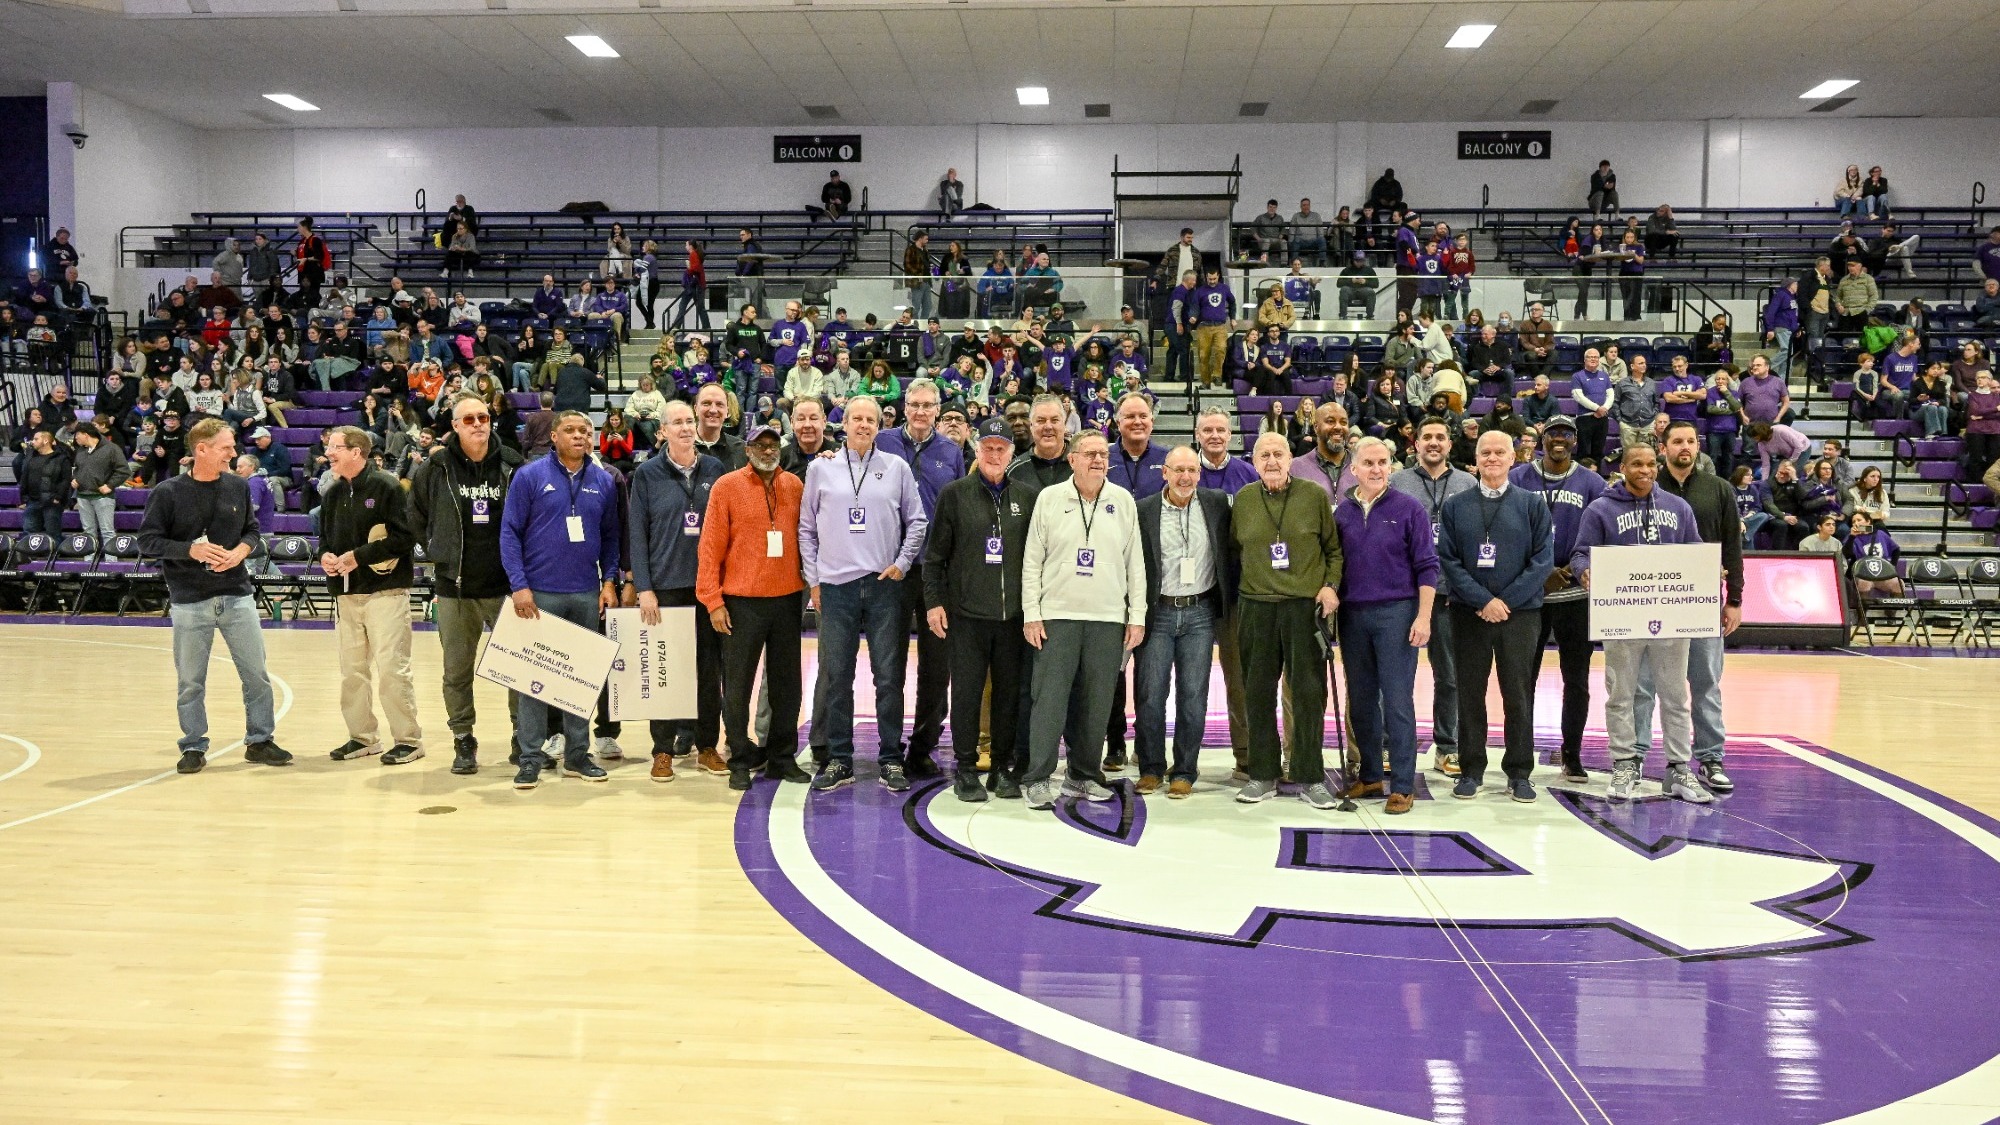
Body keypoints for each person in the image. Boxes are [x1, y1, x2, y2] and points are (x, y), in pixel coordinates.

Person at [135, 419, 291, 775]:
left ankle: (260, 741)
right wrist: (191, 550)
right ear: (201, 450)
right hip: (190, 599)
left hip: (237, 595)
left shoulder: (238, 486)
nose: (233, 453)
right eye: (226, 447)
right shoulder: (168, 492)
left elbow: (253, 531)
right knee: (191, 680)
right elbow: (147, 542)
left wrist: (240, 552)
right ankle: (192, 745)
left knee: (256, 675)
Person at [798, 396, 927, 793]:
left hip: (885, 585)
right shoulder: (821, 468)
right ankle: (840, 759)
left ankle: (890, 758)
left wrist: (903, 563)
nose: (864, 425)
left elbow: (918, 521)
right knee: (838, 677)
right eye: (857, 418)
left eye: (872, 419)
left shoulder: (896, 468)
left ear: (879, 425)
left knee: (889, 677)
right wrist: (814, 581)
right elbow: (806, 529)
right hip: (836, 587)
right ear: (845, 422)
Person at [1573, 442, 1710, 802]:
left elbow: (1694, 550)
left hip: (1670, 616)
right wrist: (1585, 571)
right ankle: (1624, 764)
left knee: (1676, 696)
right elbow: (1580, 553)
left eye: (1651, 463)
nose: (1645, 470)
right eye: (1637, 464)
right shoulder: (1600, 509)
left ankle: (1679, 770)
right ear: (1623, 467)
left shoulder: (1678, 507)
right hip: (1621, 614)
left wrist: (1709, 573)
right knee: (1622, 694)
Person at [1017, 429, 1146, 810]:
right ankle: (1037, 777)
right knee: (1050, 701)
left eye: (1102, 455)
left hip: (1107, 618)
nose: (1097, 460)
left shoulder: (1122, 501)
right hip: (1057, 615)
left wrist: (1135, 616)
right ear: (1071, 459)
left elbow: (1134, 563)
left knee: (1097, 703)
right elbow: (1031, 562)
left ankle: (1083, 775)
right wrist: (1032, 613)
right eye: (1088, 454)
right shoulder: (1050, 499)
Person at [499, 411, 623, 790]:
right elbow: (509, 532)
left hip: (585, 592)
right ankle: (531, 757)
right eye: (570, 430)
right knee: (535, 680)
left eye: (586, 431)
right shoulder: (529, 476)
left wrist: (610, 581)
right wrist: (519, 586)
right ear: (553, 437)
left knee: (580, 681)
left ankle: (577, 755)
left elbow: (611, 538)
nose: (579, 436)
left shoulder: (603, 481)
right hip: (538, 595)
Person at [923, 416, 1040, 802]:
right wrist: (934, 603)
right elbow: (935, 556)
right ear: (977, 449)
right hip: (967, 617)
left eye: (1001, 448)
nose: (993, 453)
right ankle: (966, 769)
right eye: (987, 447)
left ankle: (1003, 768)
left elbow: (1039, 559)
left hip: (1012, 620)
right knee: (968, 695)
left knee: (1008, 695)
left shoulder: (1028, 497)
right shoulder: (954, 494)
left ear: (1011, 453)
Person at [1435, 431, 1554, 803]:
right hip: (1469, 614)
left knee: (1517, 694)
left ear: (1512, 457)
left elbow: (1542, 561)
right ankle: (1471, 769)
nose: (1491, 458)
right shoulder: (1455, 506)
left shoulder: (1532, 504)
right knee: (1470, 693)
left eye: (1499, 452)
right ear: (1475, 457)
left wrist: (1506, 602)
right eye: (1485, 452)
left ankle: (1519, 772)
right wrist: (1483, 600)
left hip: (1520, 616)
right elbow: (1449, 561)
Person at [407, 392, 523, 773]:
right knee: (456, 671)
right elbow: (416, 516)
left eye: (483, 418)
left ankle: (523, 737)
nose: (478, 424)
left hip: (506, 587)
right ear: (454, 425)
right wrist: (436, 550)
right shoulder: (435, 467)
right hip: (454, 588)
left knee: (518, 670)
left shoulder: (511, 464)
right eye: (469, 419)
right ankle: (463, 739)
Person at [1630, 419, 1745, 793]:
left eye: (1691, 441)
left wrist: (1736, 599)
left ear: (1698, 447)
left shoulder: (1719, 490)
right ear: (1663, 448)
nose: (1685, 447)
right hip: (1650, 601)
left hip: (1702, 601)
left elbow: (1733, 547)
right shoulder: (1644, 487)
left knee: (1705, 681)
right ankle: (1635, 756)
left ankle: (1710, 758)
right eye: (1677, 441)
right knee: (1643, 683)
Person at [1230, 432, 1343, 808]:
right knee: (1258, 692)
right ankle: (1262, 774)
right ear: (1255, 460)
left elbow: (1334, 550)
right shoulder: (1244, 500)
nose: (1272, 461)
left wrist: (1330, 585)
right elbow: (1235, 552)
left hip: (1303, 608)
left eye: (1279, 454)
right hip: (1256, 607)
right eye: (1264, 455)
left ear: (1291, 458)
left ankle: (1310, 776)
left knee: (1309, 694)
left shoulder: (1314, 496)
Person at [626, 400, 734, 784]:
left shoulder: (716, 469)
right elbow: (636, 534)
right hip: (666, 587)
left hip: (707, 589)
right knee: (666, 673)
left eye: (689, 421)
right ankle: (662, 750)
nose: (686, 428)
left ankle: (707, 746)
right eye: (678, 423)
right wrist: (644, 589)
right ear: (663, 431)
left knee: (708, 671)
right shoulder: (647, 475)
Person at [1334, 436, 1438, 814]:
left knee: (1396, 700)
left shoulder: (1410, 509)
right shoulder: (1342, 512)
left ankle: (1404, 784)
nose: (1377, 469)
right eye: (1369, 463)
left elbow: (1428, 566)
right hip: (1353, 615)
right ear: (1354, 469)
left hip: (1397, 612)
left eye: (1383, 462)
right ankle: (1372, 774)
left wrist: (1423, 616)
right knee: (1360, 700)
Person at [1503, 414, 1603, 782]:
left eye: (1566, 434)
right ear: (1540, 439)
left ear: (1575, 441)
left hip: (1576, 593)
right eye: (1552, 434)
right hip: (1530, 593)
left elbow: (1600, 533)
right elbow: (1506, 530)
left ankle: (1571, 753)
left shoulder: (1592, 483)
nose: (1558, 439)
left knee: (1575, 679)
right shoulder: (1517, 478)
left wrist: (1576, 567)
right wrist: (1539, 571)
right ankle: (1519, 754)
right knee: (1521, 678)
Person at [316, 426, 424, 766]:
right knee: (352, 671)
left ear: (356, 452)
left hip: (385, 594)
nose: (328, 453)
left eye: (335, 447)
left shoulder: (387, 486)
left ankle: (409, 740)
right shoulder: (332, 493)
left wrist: (358, 557)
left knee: (392, 669)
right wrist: (326, 558)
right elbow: (325, 542)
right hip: (346, 596)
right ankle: (362, 737)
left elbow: (406, 538)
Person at [874, 378, 965, 779]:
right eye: (915, 404)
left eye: (929, 405)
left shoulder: (952, 452)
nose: (922, 411)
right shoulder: (881, 442)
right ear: (904, 406)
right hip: (891, 570)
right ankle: (889, 748)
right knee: (889, 663)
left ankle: (923, 746)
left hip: (935, 573)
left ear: (938, 410)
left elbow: (957, 510)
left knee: (936, 666)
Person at [1133, 446, 1233, 796]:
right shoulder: (1143, 510)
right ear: (1164, 472)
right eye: (1178, 470)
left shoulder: (1217, 503)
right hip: (1157, 612)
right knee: (1150, 694)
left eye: (1192, 470)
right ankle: (1150, 767)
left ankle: (1185, 770)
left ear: (1199, 474)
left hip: (1200, 613)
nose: (1185, 477)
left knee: (1193, 695)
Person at [1388, 417, 1477, 776]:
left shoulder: (1467, 483)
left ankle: (1447, 747)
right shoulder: (1398, 482)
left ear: (1450, 444)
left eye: (1441, 437)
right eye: (1427, 437)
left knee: (1450, 676)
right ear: (1416, 444)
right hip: (1405, 593)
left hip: (1451, 595)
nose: (1434, 443)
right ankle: (1389, 746)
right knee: (1396, 676)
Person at [1189, 267, 1237, 388]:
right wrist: (1193, 316)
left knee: (1221, 349)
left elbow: (1232, 302)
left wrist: (1233, 317)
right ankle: (1205, 382)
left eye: (1214, 278)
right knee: (1203, 355)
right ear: (1206, 277)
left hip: (1220, 326)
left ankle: (1217, 375)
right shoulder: (1199, 291)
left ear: (1218, 276)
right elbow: (1194, 306)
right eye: (1210, 279)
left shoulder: (1224, 288)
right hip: (1204, 326)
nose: (1212, 281)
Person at [1570, 348, 1613, 465]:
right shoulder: (1577, 376)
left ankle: (1597, 480)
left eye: (1596, 357)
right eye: (1590, 357)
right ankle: (1581, 480)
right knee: (1583, 451)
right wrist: (1597, 408)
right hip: (1585, 419)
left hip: (1602, 418)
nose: (1593, 359)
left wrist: (1603, 409)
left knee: (1598, 452)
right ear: (1584, 359)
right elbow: (1578, 396)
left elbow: (1610, 395)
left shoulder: (1604, 376)